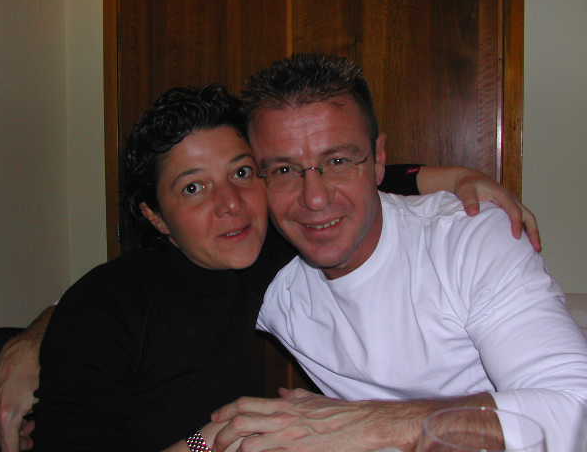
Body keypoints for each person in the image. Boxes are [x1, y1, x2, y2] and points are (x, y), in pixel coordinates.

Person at [0, 84, 541, 452]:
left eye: (242, 173)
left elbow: (340, 178)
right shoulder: (107, 307)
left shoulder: (269, 248)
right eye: (193, 188)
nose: (231, 205)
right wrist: (207, 444)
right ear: (155, 216)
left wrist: (459, 178)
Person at [208, 54, 587, 452]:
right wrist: (204, 443)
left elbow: (576, 408)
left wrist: (369, 421)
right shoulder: (260, 269)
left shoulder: (467, 238)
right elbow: (216, 430)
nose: (314, 198)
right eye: (284, 170)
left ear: (378, 160)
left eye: (338, 161)